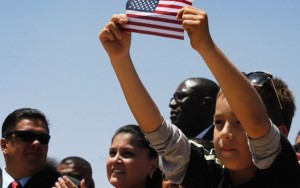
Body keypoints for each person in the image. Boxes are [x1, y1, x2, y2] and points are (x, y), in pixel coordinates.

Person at [99, 6, 300, 187]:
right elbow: (157, 132)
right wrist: (120, 59)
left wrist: (207, 48)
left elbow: (256, 121)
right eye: (219, 122)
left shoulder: (282, 170)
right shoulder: (208, 169)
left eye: (240, 123)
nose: (226, 133)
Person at [0, 108, 80, 188]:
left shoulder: (68, 185)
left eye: (43, 138)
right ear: (4, 145)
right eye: (27, 136)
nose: (37, 143)